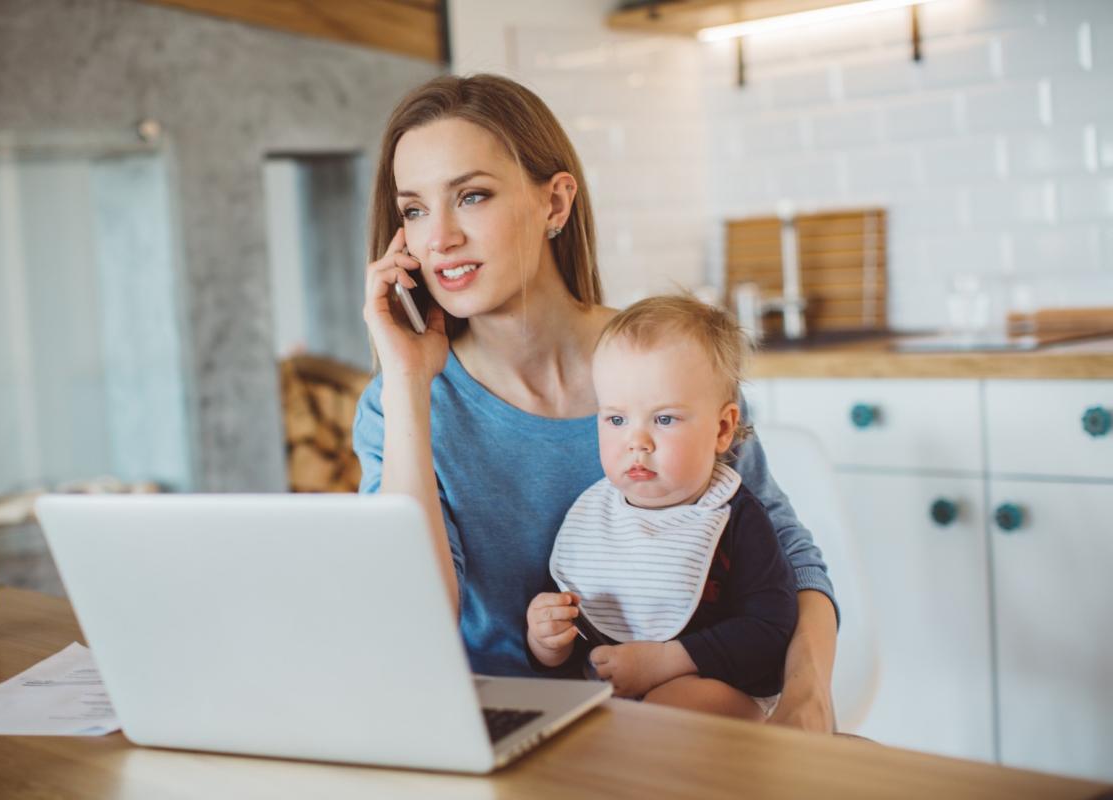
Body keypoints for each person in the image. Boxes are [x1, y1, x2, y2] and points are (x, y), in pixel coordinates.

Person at [353, 73, 840, 732]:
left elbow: (788, 554)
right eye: (413, 210)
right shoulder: (398, 405)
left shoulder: (670, 361)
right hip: (493, 730)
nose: (438, 239)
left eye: (471, 196)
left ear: (555, 203)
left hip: (677, 719)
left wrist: (807, 698)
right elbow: (406, 618)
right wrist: (409, 382)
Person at [528, 295, 797, 720]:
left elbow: (769, 631)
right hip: (612, 701)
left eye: (664, 419)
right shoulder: (593, 516)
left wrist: (665, 662)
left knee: (663, 715)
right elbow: (581, 633)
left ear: (723, 428)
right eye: (616, 420)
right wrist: (547, 642)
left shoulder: (732, 516)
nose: (637, 441)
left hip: (724, 692)